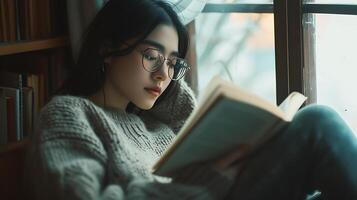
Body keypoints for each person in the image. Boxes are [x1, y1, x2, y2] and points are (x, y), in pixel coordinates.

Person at [24, 0, 357, 199]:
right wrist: (206, 181)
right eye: (152, 55)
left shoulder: (157, 121)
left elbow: (190, 130)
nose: (162, 74)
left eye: (172, 62)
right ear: (108, 49)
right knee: (317, 122)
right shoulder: (67, 115)